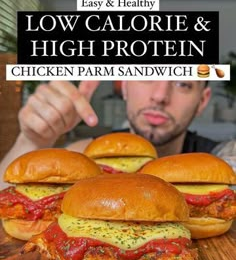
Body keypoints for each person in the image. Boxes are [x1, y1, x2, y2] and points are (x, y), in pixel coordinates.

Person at [0, 79, 232, 188]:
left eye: (183, 83)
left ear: (202, 101)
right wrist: (31, 141)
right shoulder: (85, 154)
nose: (160, 95)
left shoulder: (222, 157)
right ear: (124, 87)